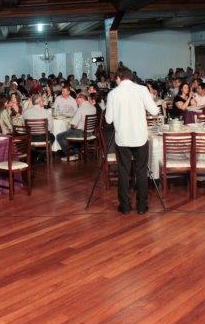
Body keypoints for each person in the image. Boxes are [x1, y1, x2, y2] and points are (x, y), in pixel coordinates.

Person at [105, 66, 160, 215]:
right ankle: (142, 206)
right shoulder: (142, 90)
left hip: (122, 139)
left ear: (118, 78)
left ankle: (125, 206)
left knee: (123, 171)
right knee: (141, 171)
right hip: (140, 137)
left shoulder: (113, 93)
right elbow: (155, 111)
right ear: (130, 77)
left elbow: (108, 120)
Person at [57, 92, 97, 160]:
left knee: (60, 136)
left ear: (81, 99)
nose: (75, 100)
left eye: (77, 98)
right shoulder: (93, 107)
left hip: (82, 133)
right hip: (90, 132)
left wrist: (70, 126)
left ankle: (72, 155)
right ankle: (76, 152)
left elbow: (73, 125)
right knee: (70, 132)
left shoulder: (81, 109)